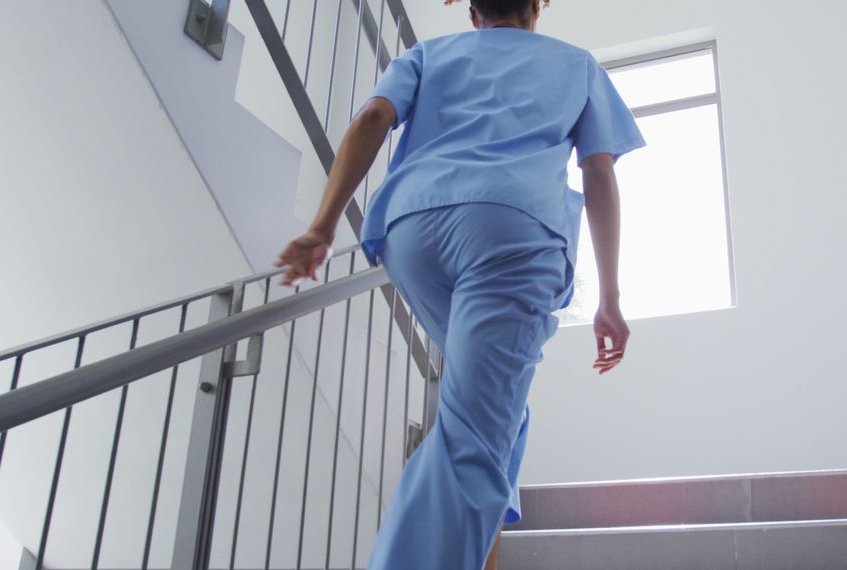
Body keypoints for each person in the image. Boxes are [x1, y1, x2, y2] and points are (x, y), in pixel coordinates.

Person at [275, 0, 645, 567]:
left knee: (497, 412)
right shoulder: (577, 65)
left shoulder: (429, 53)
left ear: (473, 14)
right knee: (473, 433)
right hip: (510, 232)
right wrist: (611, 297)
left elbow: (373, 119)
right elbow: (598, 172)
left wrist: (322, 227)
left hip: (412, 230)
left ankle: (480, 549)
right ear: (534, 12)